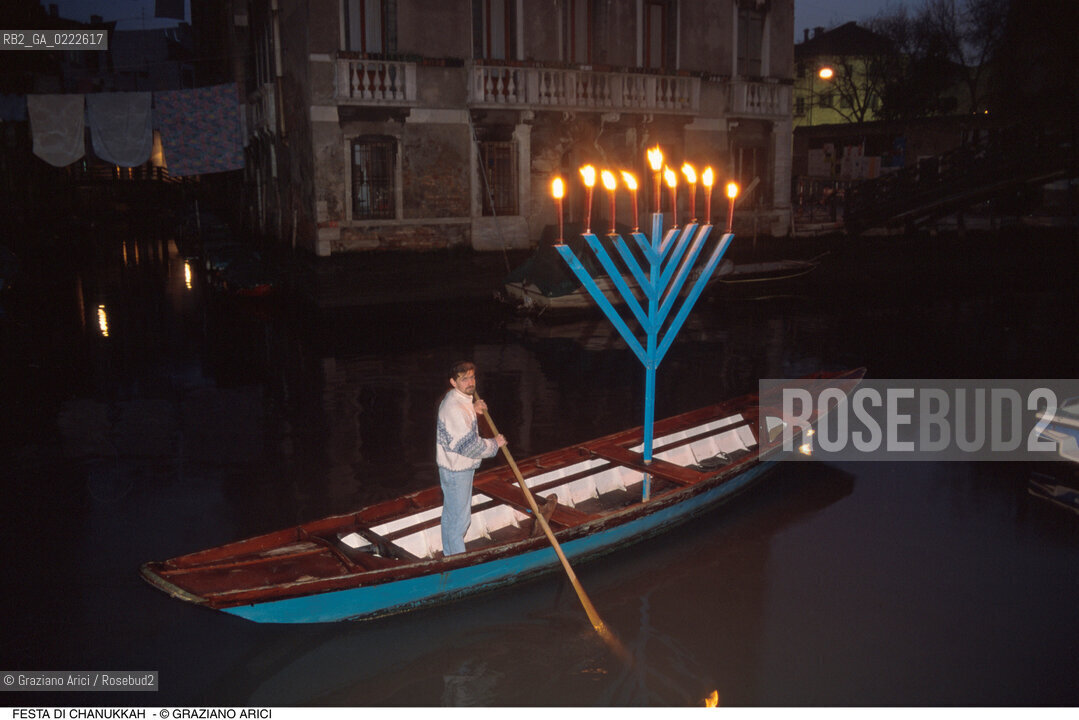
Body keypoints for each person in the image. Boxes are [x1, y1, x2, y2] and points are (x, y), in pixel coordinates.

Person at [436, 361, 506, 556]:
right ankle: (458, 561)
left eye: (472, 377)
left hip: (451, 466)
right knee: (460, 520)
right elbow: (469, 446)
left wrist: (473, 409)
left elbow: (462, 425)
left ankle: (450, 556)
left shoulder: (456, 398)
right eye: (464, 379)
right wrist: (494, 444)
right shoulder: (454, 408)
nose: (470, 383)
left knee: (451, 515)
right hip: (457, 470)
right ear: (453, 382)